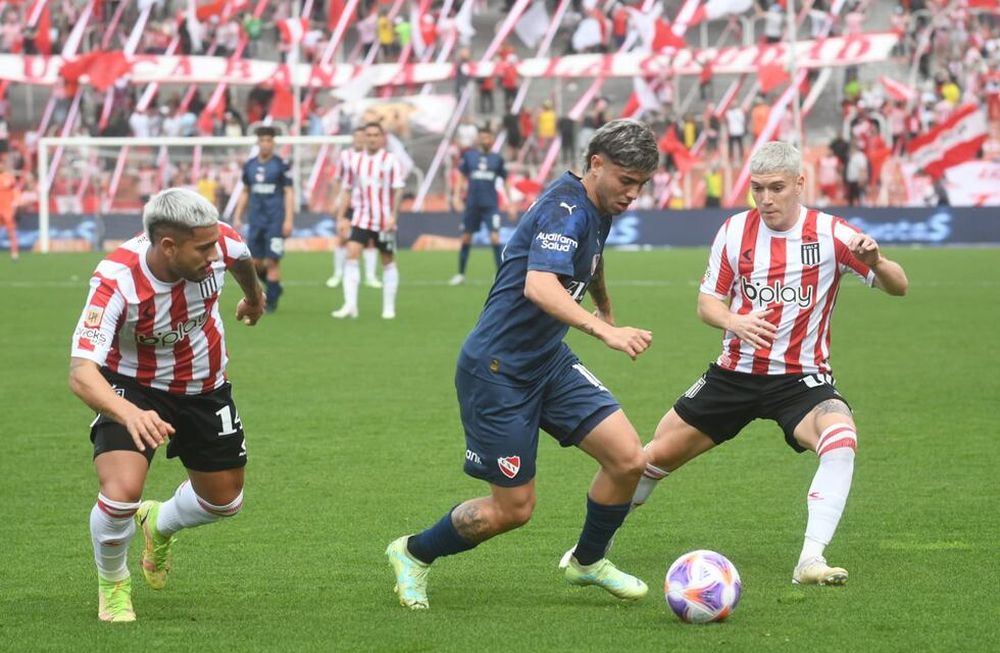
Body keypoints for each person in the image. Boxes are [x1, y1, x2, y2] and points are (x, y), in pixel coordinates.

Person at [571, 141, 908, 586]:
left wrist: (877, 262)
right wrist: (736, 321)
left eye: (776, 188)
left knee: (841, 436)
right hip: (733, 375)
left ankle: (810, 560)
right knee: (647, 460)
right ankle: (591, 549)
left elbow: (898, 286)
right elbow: (707, 304)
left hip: (800, 380)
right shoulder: (734, 232)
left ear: (799, 185)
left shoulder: (833, 234)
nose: (765, 199)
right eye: (757, 189)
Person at [385, 119, 660, 610]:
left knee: (629, 460)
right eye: (627, 180)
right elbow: (540, 286)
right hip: (498, 370)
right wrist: (605, 331)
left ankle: (588, 561)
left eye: (641, 184)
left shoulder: (598, 204)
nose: (634, 193)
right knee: (513, 510)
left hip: (547, 360)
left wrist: (605, 305)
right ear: (596, 164)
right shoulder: (565, 210)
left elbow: (591, 259)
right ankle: (412, 552)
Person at [69, 188, 265, 622]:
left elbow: (241, 258)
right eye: (203, 248)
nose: (215, 254)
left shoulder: (219, 242)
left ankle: (159, 522)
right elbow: (82, 373)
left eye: (215, 243)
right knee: (121, 493)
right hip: (132, 389)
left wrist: (253, 295)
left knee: (224, 502)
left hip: (205, 386)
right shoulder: (116, 281)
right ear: (168, 246)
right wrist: (129, 413)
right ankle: (114, 584)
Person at [332, 122, 405, 320]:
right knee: (351, 256)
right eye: (369, 135)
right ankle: (350, 305)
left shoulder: (390, 160)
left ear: (382, 138)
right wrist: (340, 217)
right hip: (361, 218)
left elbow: (398, 188)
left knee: (388, 261)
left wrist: (393, 216)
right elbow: (347, 189)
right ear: (364, 137)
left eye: (376, 135)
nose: (372, 138)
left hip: (383, 220)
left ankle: (389, 308)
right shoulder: (355, 161)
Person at [232, 126, 294, 313]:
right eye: (263, 140)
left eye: (269, 140)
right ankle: (276, 287)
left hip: (275, 220)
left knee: (273, 262)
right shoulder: (250, 165)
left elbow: (289, 192)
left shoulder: (281, 165)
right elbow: (245, 191)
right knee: (256, 264)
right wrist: (237, 215)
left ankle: (271, 304)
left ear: (273, 143)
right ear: (258, 142)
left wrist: (288, 220)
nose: (266, 144)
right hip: (256, 220)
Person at [449, 126, 516, 286]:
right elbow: (461, 176)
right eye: (482, 137)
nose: (485, 140)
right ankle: (460, 274)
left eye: (488, 137)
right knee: (466, 238)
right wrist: (456, 197)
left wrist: (510, 202)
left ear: (492, 140)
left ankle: (499, 275)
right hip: (472, 204)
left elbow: (505, 180)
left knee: (495, 237)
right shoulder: (470, 156)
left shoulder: (497, 159)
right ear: (479, 139)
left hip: (491, 205)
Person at [326, 127, 381, 290]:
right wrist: (334, 200)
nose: (359, 139)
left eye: (361, 137)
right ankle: (338, 274)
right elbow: (338, 179)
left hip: (367, 205)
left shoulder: (372, 157)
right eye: (356, 136)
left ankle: (370, 276)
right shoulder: (346, 156)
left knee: (370, 240)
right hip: (348, 203)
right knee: (343, 237)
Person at [0, 157, 19, 260]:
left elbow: (16, 191)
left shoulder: (9, 177)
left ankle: (14, 252)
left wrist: (15, 203)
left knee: (11, 231)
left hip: (7, 209)